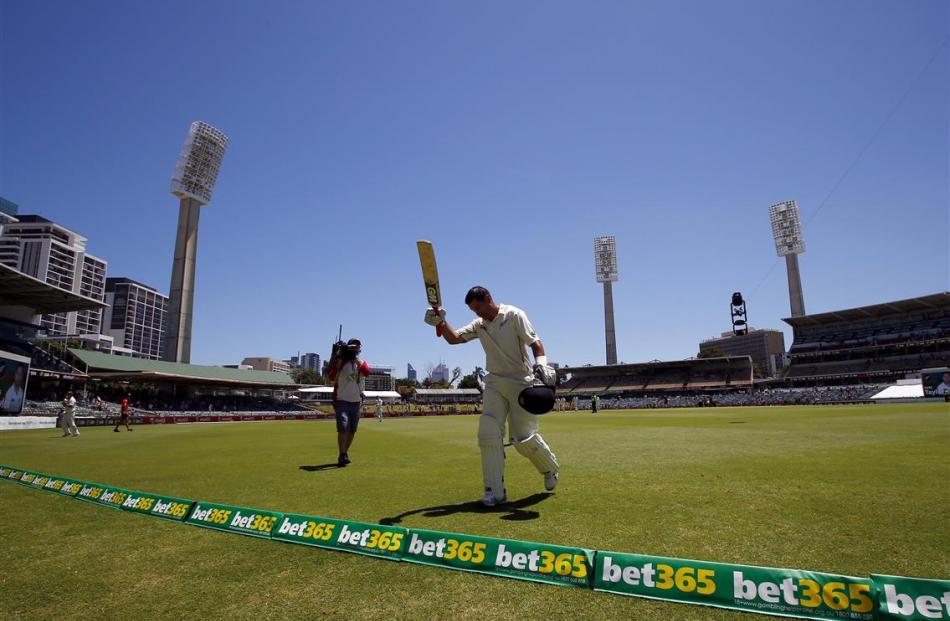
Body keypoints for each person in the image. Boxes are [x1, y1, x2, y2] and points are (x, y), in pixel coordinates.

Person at [426, 286, 559, 507]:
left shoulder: (514, 315)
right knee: (488, 434)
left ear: (489, 299)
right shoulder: (480, 325)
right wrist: (440, 321)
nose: (477, 314)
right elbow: (454, 338)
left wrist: (541, 366)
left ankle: (550, 468)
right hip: (495, 383)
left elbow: (535, 343)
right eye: (473, 310)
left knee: (523, 441)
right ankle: (494, 492)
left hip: (521, 382)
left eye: (478, 307)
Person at [328, 338, 371, 466]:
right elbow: (331, 377)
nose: (355, 349)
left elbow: (367, 372)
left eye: (357, 347)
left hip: (356, 401)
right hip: (341, 399)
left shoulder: (361, 362)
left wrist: (357, 362)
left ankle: (344, 453)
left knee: (352, 430)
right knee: (343, 426)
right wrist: (337, 360)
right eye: (353, 346)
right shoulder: (340, 362)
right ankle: (342, 454)